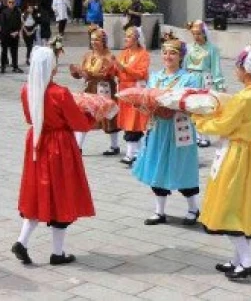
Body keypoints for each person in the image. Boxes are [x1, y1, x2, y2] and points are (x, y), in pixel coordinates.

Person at [193, 41, 251, 281]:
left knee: (228, 206)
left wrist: (198, 118)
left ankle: (249, 261)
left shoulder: (246, 98)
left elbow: (224, 125)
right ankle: (238, 259)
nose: (235, 70)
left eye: (237, 66)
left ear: (246, 69)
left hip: (235, 155)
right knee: (242, 204)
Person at [12, 43, 96, 266]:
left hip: (37, 141)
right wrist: (92, 114)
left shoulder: (26, 90)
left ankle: (22, 241)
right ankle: (57, 253)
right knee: (62, 194)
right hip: (59, 145)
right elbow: (78, 122)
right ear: (51, 68)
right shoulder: (60, 93)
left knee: (37, 192)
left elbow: (30, 119)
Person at [132, 33, 204, 226]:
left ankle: (193, 208)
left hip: (179, 130)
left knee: (182, 167)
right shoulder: (155, 77)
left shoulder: (189, 79)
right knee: (157, 165)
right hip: (157, 128)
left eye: (172, 53)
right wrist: (141, 105)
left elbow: (191, 103)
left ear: (180, 56)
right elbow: (148, 98)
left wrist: (172, 108)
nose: (168, 57)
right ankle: (159, 211)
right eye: (164, 53)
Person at [69, 26, 119, 155]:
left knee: (109, 116)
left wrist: (87, 74)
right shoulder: (88, 55)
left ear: (103, 41)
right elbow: (83, 72)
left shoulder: (109, 56)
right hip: (90, 88)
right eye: (92, 40)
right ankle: (78, 146)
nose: (93, 43)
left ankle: (114, 146)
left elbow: (107, 73)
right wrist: (76, 73)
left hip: (104, 88)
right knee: (85, 114)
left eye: (97, 40)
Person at [114, 26, 151, 165]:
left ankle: (132, 153)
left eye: (129, 36)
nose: (126, 39)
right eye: (126, 36)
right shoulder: (124, 53)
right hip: (123, 90)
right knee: (127, 120)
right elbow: (117, 70)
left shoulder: (143, 54)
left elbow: (141, 73)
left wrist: (124, 68)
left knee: (135, 121)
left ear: (136, 39)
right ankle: (138, 152)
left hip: (135, 89)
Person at [186, 19, 225, 148]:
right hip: (191, 78)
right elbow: (184, 64)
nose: (196, 37)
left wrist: (219, 84)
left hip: (204, 78)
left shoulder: (212, 49)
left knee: (203, 107)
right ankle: (195, 134)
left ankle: (204, 135)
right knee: (192, 106)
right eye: (194, 34)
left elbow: (216, 68)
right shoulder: (190, 48)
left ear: (204, 34)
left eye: (199, 34)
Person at [0, 0, 23, 74]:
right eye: (10, 2)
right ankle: (3, 67)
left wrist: (17, 31)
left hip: (15, 34)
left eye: (13, 2)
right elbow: (3, 24)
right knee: (4, 51)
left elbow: (20, 23)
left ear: (15, 3)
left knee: (14, 51)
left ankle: (15, 67)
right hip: (5, 34)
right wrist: (10, 33)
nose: (11, 4)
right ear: (7, 3)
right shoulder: (4, 12)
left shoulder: (17, 12)